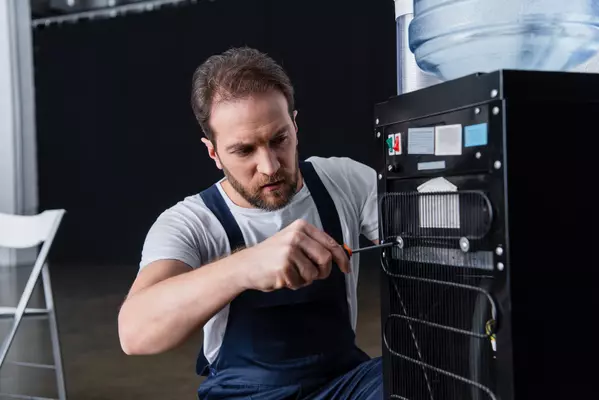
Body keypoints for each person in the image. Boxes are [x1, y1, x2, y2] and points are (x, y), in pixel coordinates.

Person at [117, 47, 383, 399]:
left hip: (344, 384)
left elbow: (431, 247)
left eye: (279, 140)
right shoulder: (190, 222)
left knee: (417, 375)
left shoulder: (344, 182)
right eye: (244, 150)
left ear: (295, 127)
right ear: (213, 153)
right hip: (244, 394)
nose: (270, 166)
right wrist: (245, 266)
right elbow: (134, 333)